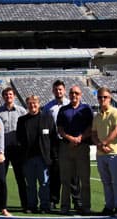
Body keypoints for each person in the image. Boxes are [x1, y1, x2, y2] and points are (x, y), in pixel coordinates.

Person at [56, 85, 94, 215]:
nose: (74, 95)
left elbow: (91, 128)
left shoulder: (86, 109)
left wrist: (79, 138)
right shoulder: (63, 110)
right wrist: (71, 138)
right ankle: (65, 206)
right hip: (66, 147)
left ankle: (86, 206)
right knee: (65, 180)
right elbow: (60, 129)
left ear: (81, 94)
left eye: (76, 93)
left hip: (82, 147)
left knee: (85, 179)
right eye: (72, 93)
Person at [17, 95, 55, 214]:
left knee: (44, 183)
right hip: (28, 158)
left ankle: (44, 206)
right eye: (30, 104)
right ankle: (32, 205)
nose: (32, 106)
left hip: (43, 157)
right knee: (30, 184)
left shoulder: (47, 118)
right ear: (27, 105)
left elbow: (53, 137)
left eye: (35, 103)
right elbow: (19, 138)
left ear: (39, 104)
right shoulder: (22, 120)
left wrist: (52, 156)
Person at [92, 87, 117, 216]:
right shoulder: (97, 116)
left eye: (105, 97)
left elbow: (116, 130)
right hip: (100, 153)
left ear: (110, 98)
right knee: (106, 182)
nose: (102, 99)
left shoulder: (116, 113)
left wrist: (104, 143)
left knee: (116, 182)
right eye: (100, 97)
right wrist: (99, 145)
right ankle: (109, 206)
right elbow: (93, 133)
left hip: (114, 152)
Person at [0, 87, 27, 212]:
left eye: (10, 94)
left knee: (21, 178)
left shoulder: (22, 111)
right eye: (6, 95)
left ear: (14, 96)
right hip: (3, 150)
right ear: (3, 97)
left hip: (18, 150)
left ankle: (25, 204)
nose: (8, 96)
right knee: (1, 179)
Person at [42, 79, 68, 209]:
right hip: (55, 143)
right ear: (53, 91)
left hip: (69, 141)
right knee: (55, 172)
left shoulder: (70, 104)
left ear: (64, 90)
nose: (58, 91)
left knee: (72, 173)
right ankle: (53, 199)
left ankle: (75, 200)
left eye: (60, 89)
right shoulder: (48, 107)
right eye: (56, 89)